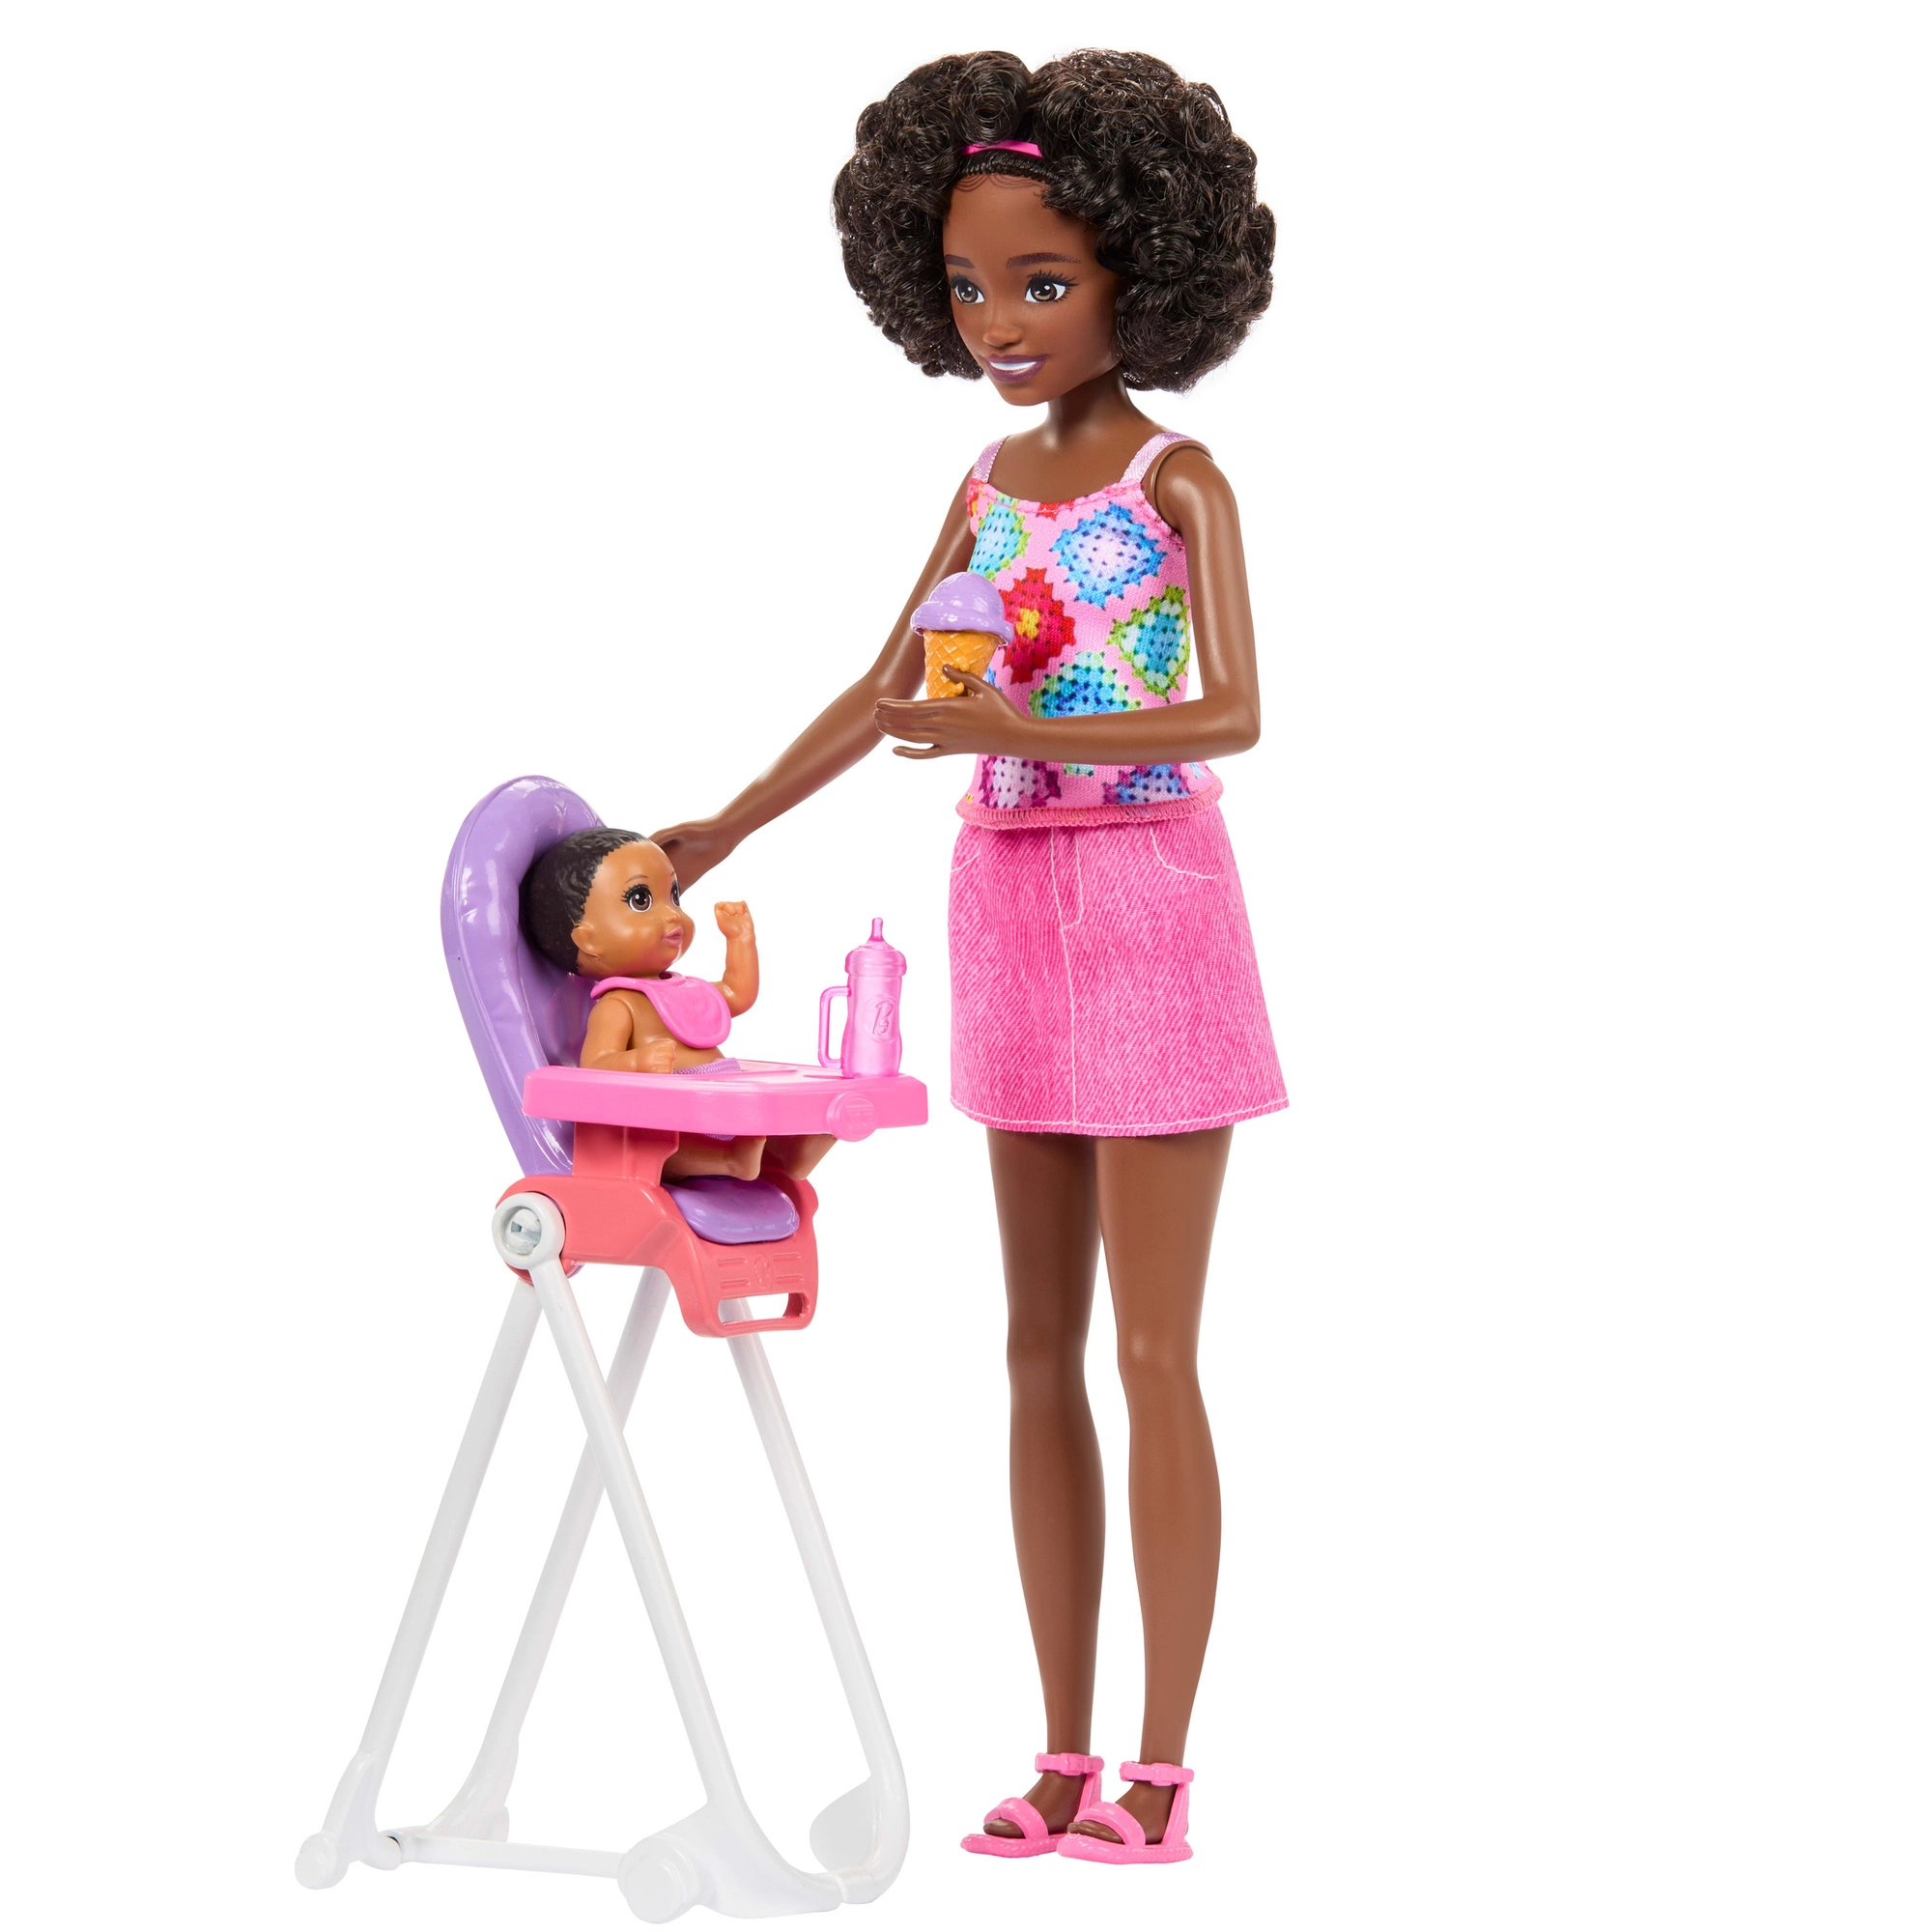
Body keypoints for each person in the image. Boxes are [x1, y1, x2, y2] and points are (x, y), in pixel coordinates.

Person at [653, 48, 1284, 1861]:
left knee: (1153, 1352)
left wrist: (1022, 719)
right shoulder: (987, 480)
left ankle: (1161, 1769)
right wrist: (726, 826)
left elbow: (1231, 712)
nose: (1001, 323)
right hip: (1006, 901)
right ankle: (1061, 1754)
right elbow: (886, 683)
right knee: (1033, 1348)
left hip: (1151, 900)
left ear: (1142, 272)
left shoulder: (1177, 481)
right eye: (968, 288)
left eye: (1043, 283)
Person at [521, 826, 832, 1180]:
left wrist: (741, 941)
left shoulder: (685, 988)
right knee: (651, 1146)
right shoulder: (619, 1004)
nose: (672, 914)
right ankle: (729, 1160)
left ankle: (788, 1155)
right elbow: (596, 1064)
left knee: (769, 1117)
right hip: (672, 1112)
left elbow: (737, 993)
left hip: (719, 1092)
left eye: (673, 896)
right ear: (588, 940)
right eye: (641, 900)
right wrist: (638, 1060)